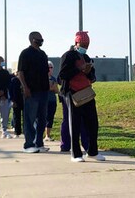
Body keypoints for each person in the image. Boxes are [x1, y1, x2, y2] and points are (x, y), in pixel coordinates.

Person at [58, 31, 105, 162]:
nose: (86, 46)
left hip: (86, 93)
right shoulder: (68, 56)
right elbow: (62, 75)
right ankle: (76, 153)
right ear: (76, 43)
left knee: (93, 123)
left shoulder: (87, 57)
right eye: (83, 44)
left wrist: (89, 72)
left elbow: (93, 77)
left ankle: (92, 151)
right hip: (72, 93)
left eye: (87, 44)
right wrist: (79, 69)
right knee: (75, 123)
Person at [17, 31, 50, 153]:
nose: (41, 40)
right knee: (30, 118)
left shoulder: (43, 54)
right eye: (39, 38)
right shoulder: (25, 53)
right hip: (31, 91)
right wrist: (25, 88)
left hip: (44, 90)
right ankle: (28, 144)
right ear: (32, 39)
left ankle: (39, 143)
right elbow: (20, 72)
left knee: (42, 118)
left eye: (42, 38)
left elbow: (46, 72)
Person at [44, 61, 59, 141]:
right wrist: (51, 87)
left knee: (50, 118)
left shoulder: (54, 78)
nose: (49, 69)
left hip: (52, 101)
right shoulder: (41, 78)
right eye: (48, 67)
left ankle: (47, 135)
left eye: (51, 67)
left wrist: (52, 88)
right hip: (44, 101)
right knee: (43, 117)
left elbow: (56, 90)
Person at [9, 71, 24, 138]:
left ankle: (26, 131)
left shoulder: (25, 80)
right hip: (16, 100)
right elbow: (10, 91)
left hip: (25, 100)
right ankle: (17, 132)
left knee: (26, 117)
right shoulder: (14, 80)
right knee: (16, 116)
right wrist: (12, 100)